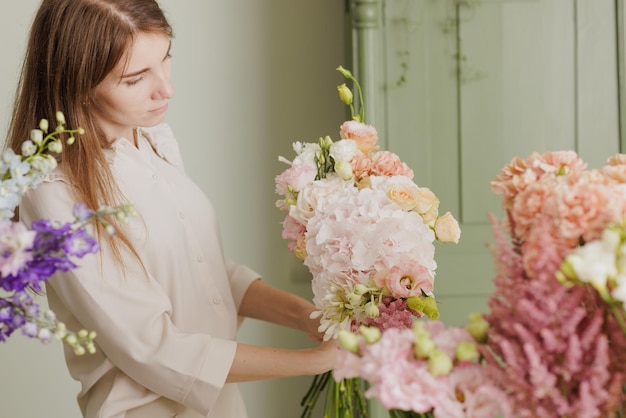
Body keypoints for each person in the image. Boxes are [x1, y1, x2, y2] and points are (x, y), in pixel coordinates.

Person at [5, 1, 338, 417]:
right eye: (135, 78)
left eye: (165, 58)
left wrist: (308, 316)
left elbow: (204, 271)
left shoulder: (153, 140)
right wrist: (317, 361)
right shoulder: (54, 191)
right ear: (78, 85)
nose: (165, 88)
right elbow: (154, 348)